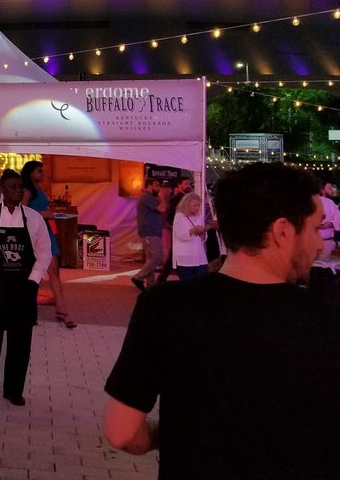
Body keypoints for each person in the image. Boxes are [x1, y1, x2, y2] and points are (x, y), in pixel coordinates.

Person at [104, 162, 340, 479]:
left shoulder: (164, 306)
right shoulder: (326, 315)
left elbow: (121, 432)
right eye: (315, 228)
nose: (320, 243)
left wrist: (170, 435)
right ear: (283, 231)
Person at [0, 168, 52, 406]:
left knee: (20, 342)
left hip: (24, 289)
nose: (18, 190)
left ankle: (13, 391)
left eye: (20, 187)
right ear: (2, 190)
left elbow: (44, 252)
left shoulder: (33, 218)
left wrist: (34, 279)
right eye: (13, 186)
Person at [20, 160, 75, 328]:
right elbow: (22, 211)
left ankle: (62, 310)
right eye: (39, 171)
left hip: (45, 233)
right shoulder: (27, 190)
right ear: (30, 173)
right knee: (35, 275)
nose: (42, 174)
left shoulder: (38, 189)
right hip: (35, 235)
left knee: (54, 273)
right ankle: (39, 312)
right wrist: (43, 213)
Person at [131, 178, 164, 290]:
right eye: (157, 185)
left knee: (151, 258)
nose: (159, 188)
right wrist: (162, 196)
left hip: (150, 231)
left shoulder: (149, 197)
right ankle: (138, 277)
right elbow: (163, 208)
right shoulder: (147, 197)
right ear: (149, 185)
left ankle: (150, 285)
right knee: (157, 257)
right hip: (150, 232)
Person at [171, 192, 208, 280]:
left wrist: (203, 232)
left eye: (199, 205)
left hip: (199, 256)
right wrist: (192, 231)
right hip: (185, 257)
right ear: (187, 204)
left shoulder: (200, 217)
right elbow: (179, 236)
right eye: (195, 205)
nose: (197, 208)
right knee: (187, 285)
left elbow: (202, 238)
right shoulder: (179, 216)